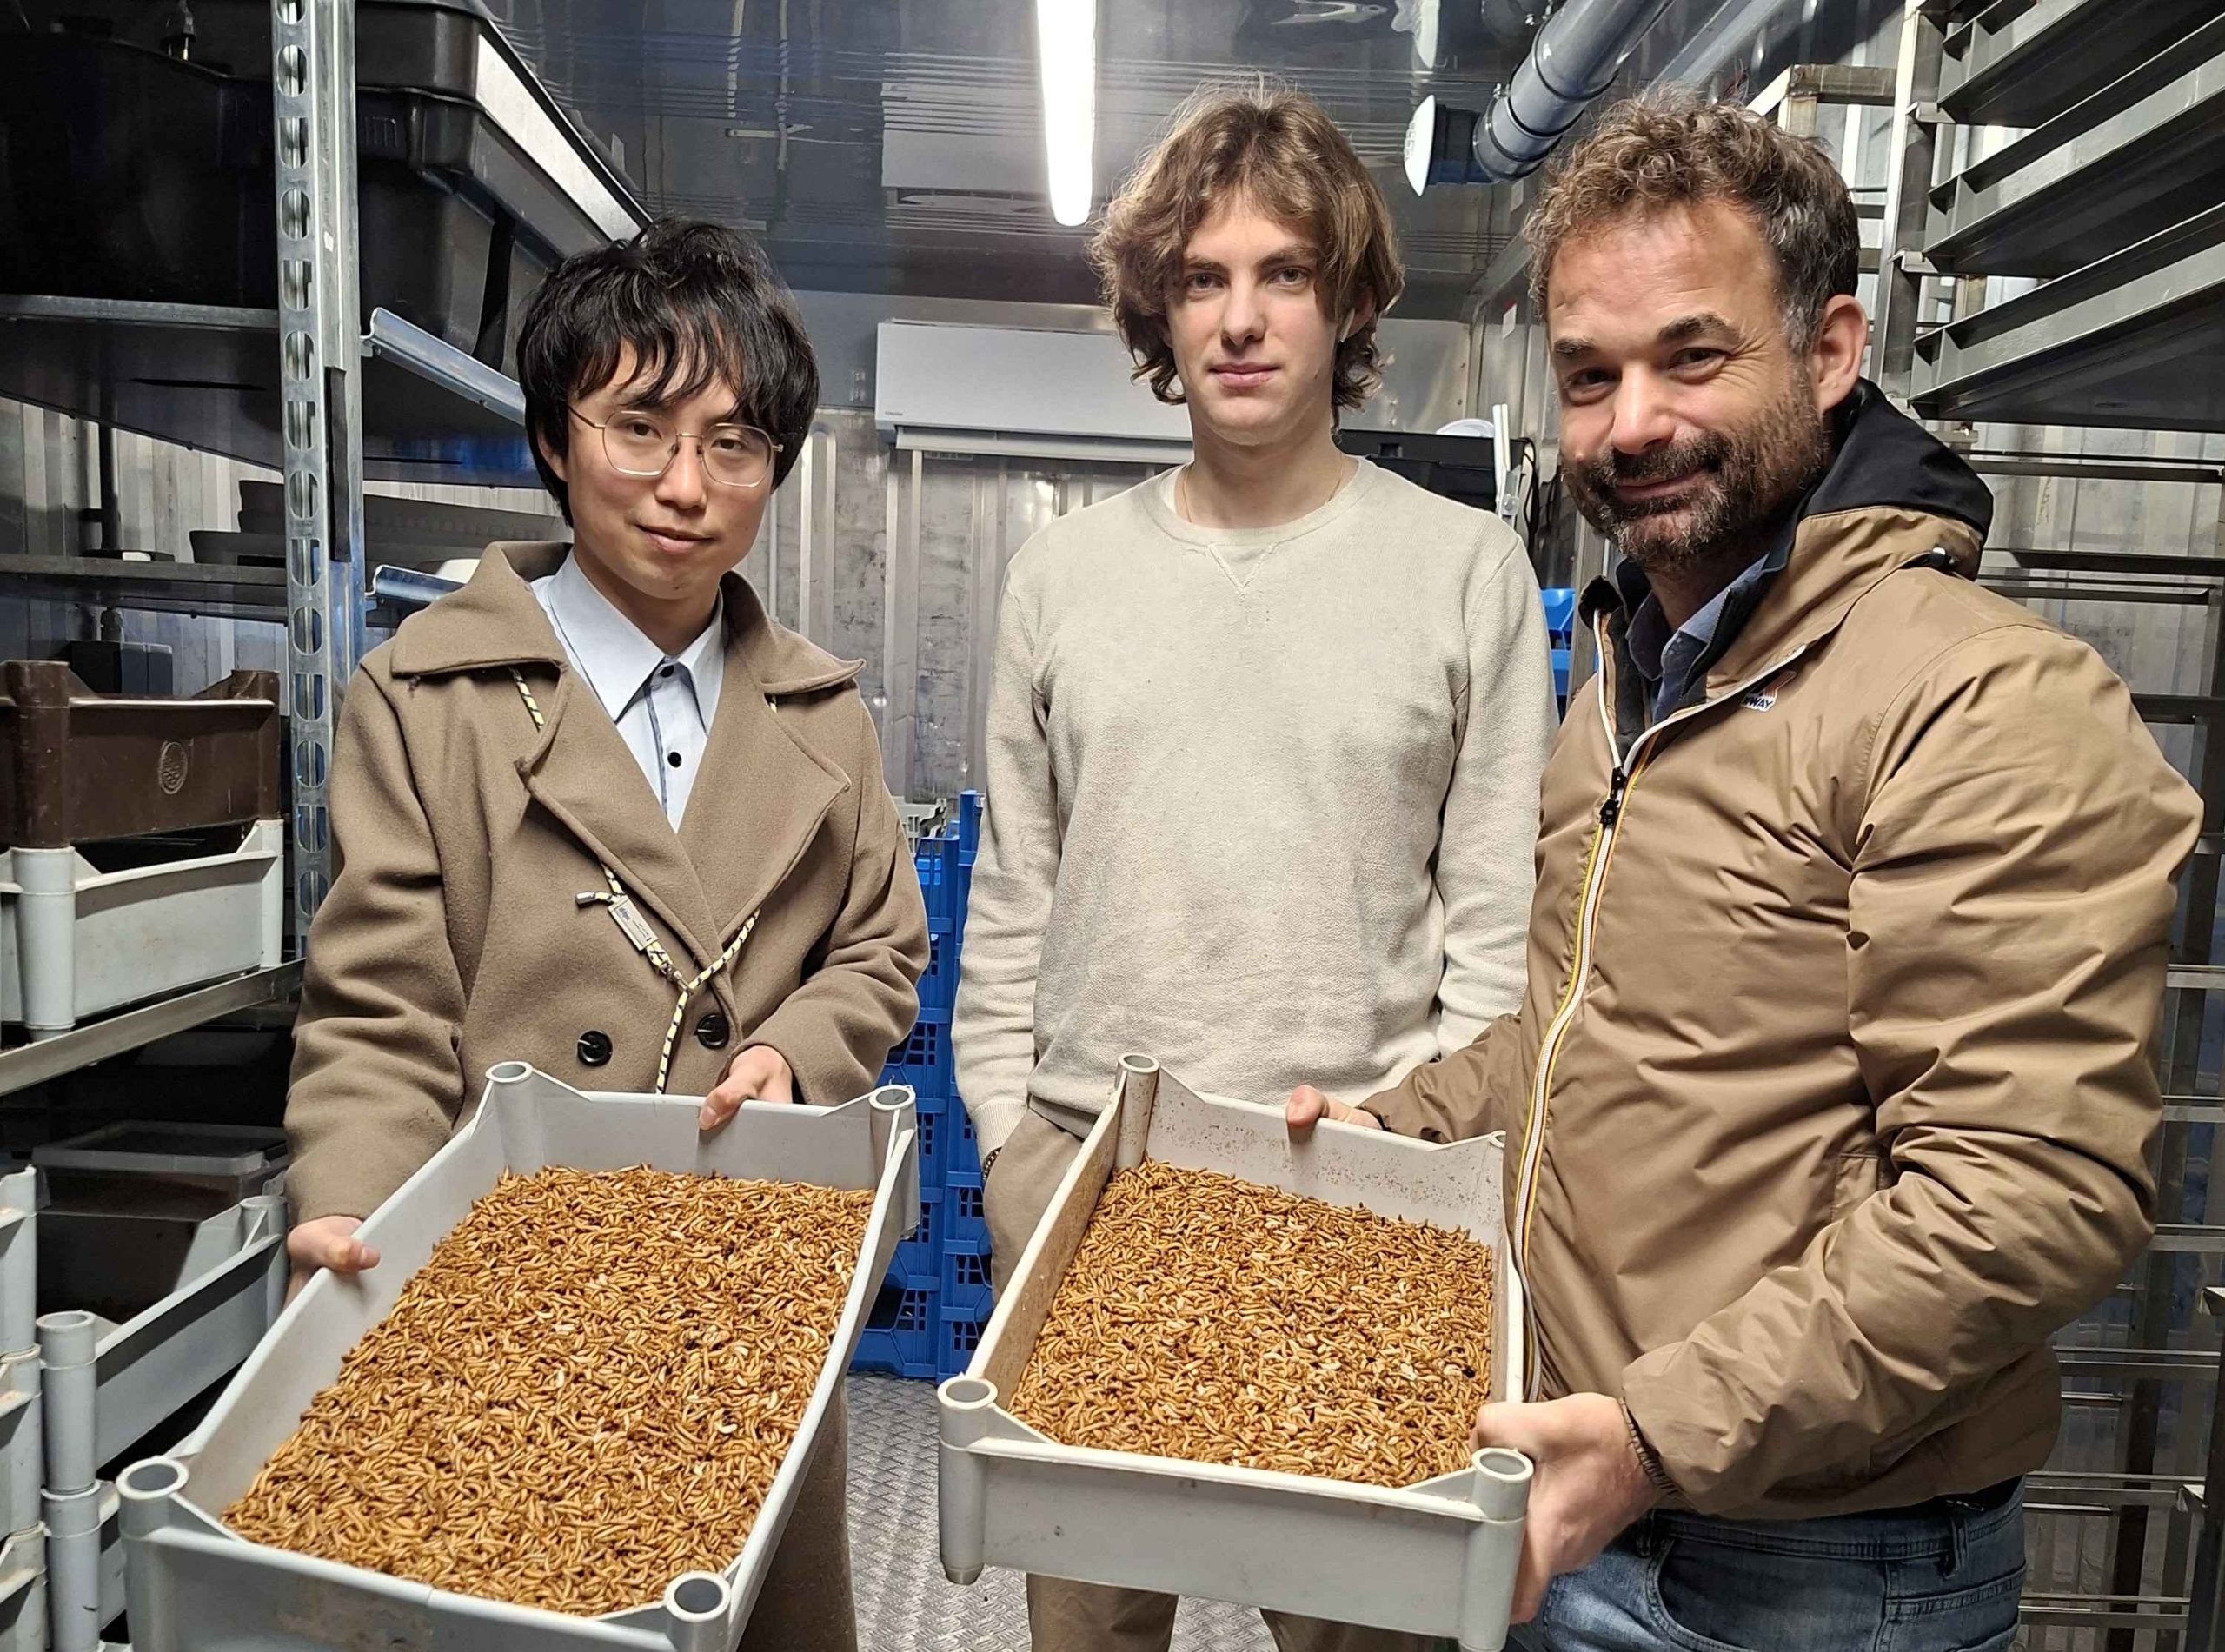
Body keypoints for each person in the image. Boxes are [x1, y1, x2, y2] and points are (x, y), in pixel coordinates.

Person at [1286, 90, 2203, 1650]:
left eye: (1692, 356)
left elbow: (2026, 1192)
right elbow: (1593, 1041)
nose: (1631, 422)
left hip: (1817, 1574)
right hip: (1579, 1486)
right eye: (1591, 375)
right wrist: (1397, 1127)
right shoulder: (1633, 680)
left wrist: (1652, 1436)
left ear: (1831, 351)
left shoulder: (1976, 699)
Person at [954, 83, 1557, 1652]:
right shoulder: (1061, 578)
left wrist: (1416, 1172)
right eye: (1203, 278)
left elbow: (1500, 938)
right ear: (1158, 310)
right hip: (1095, 1181)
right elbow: (1013, 893)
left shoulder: (1468, 573)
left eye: (1284, 273)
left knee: (1364, 1634)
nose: (1240, 319)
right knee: (1090, 1626)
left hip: (1355, 1190)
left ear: (1349, 301)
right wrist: (1012, 1145)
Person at [282, 219, 927, 1652]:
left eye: (735, 444)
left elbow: (882, 946)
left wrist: (793, 1054)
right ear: (554, 438)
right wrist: (355, 1212)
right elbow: (382, 1008)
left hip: (748, 1292)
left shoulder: (825, 716)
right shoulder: (425, 702)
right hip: (505, 1299)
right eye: (639, 428)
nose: (688, 486)